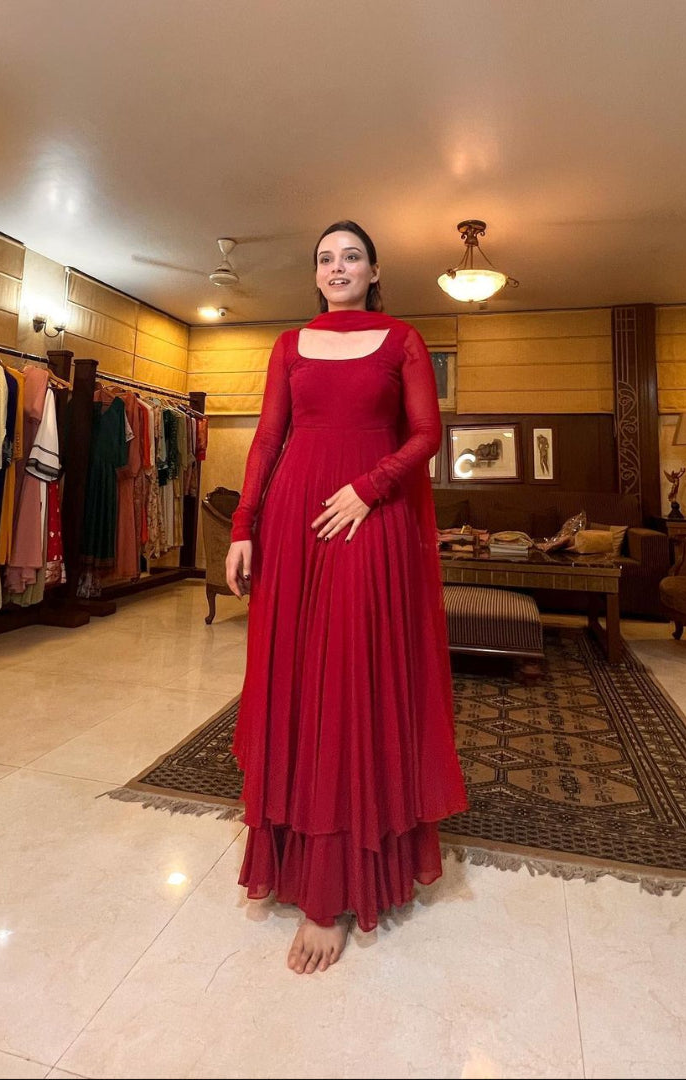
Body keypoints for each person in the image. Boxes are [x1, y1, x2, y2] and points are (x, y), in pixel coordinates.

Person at [225, 220, 467, 975]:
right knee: (297, 680)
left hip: (371, 518)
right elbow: (267, 439)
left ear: (373, 269)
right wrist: (244, 525)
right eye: (326, 258)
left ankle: (333, 893)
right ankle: (301, 860)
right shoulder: (289, 345)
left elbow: (426, 434)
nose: (337, 267)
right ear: (317, 273)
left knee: (351, 682)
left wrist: (367, 489)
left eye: (351, 256)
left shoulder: (402, 340)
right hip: (297, 521)